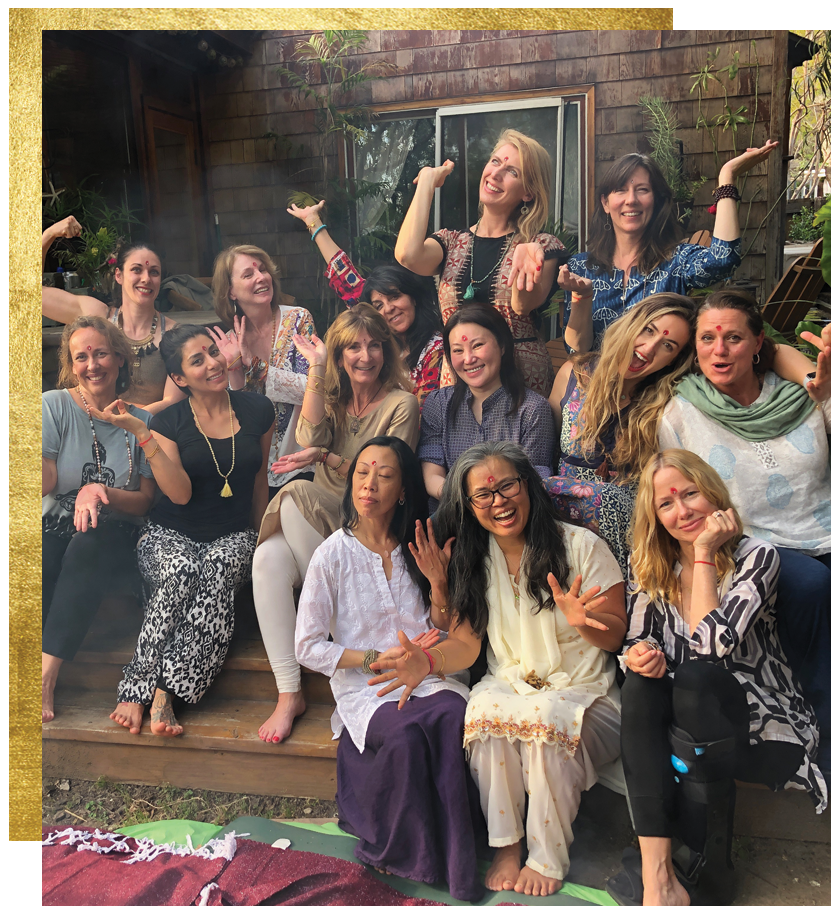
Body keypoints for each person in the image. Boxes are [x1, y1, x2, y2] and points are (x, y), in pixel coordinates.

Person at [370, 442, 627, 896]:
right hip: (511, 685)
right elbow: (466, 645)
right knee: (483, 711)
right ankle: (507, 846)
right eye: (483, 495)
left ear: (528, 486)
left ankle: (547, 857)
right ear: (470, 507)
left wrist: (584, 622)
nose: (499, 502)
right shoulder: (476, 560)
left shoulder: (581, 546)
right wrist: (428, 660)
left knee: (544, 720)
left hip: (587, 694)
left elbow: (616, 636)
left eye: (507, 486)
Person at [610, 449, 826, 907]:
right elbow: (634, 640)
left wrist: (704, 553)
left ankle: (708, 869)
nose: (682, 510)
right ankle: (658, 878)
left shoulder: (756, 556)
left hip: (757, 721)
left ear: (713, 494)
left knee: (694, 679)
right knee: (640, 688)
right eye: (666, 503)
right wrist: (641, 656)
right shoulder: (651, 562)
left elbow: (710, 650)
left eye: (690, 494)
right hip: (685, 717)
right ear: (655, 516)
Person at [295, 436, 484, 901]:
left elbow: (440, 628)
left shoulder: (418, 545)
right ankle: (408, 853)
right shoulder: (331, 555)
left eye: (384, 475)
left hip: (429, 675)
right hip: (369, 687)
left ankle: (457, 853)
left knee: (451, 717)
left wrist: (438, 583)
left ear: (402, 490)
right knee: (405, 736)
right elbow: (307, 647)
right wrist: (374, 659)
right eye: (362, 473)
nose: (369, 484)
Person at [658, 290, 831, 773]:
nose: (719, 350)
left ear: (758, 344)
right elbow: (676, 494)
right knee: (812, 586)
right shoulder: (680, 415)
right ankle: (824, 736)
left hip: (823, 530)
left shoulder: (803, 394)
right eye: (707, 339)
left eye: (733, 338)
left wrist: (826, 392)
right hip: (753, 545)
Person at [252, 304, 420, 745]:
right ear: (341, 356)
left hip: (368, 519)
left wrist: (325, 458)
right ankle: (289, 692)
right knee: (267, 559)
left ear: (386, 351)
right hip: (325, 520)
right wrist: (317, 368)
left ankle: (338, 634)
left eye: (374, 346)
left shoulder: (402, 404)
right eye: (353, 348)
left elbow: (386, 476)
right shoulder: (333, 396)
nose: (365, 356)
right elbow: (307, 437)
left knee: (295, 491)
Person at [107, 324, 274, 737]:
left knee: (218, 567)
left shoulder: (258, 410)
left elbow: (259, 484)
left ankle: (166, 692)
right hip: (170, 534)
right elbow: (179, 495)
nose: (213, 364)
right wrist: (144, 434)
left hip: (232, 534)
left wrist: (262, 543)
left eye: (213, 352)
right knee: (183, 570)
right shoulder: (169, 421)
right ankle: (135, 688)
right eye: (197, 361)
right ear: (179, 378)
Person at [395, 129, 585, 397]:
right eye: (495, 162)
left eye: (512, 172)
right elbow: (408, 255)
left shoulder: (541, 245)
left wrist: (525, 259)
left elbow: (523, 305)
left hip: (520, 383)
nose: (496, 173)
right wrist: (427, 181)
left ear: (528, 193)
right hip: (458, 378)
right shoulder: (452, 242)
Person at [42, 315, 156, 723]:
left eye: (101, 354)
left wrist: (102, 493)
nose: (92, 365)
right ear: (71, 365)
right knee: (41, 553)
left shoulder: (141, 421)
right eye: (81, 357)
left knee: (87, 546)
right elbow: (45, 480)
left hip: (114, 532)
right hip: (55, 524)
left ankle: (46, 677)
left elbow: (145, 501)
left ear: (120, 358)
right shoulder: (54, 406)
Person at [562, 141, 779, 354]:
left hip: (660, 378)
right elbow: (576, 349)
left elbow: (724, 259)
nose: (631, 200)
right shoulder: (581, 267)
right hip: (599, 375)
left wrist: (727, 176)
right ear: (605, 203)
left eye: (642, 190)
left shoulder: (676, 262)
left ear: (656, 201)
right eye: (620, 190)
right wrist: (582, 296)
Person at [545, 293, 696, 573]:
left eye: (667, 345)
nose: (649, 348)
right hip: (563, 520)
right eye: (648, 330)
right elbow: (546, 454)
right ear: (631, 324)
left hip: (627, 532)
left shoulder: (665, 403)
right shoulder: (574, 374)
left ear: (673, 360)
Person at [287, 200, 444, 411]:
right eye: (378, 305)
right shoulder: (379, 344)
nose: (388, 308)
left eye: (395, 297)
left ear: (413, 297)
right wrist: (313, 222)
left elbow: (425, 410)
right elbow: (345, 277)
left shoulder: (436, 349)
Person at [205, 244, 317, 498]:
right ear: (231, 291)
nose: (261, 277)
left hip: (303, 458)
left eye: (263, 270)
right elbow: (240, 414)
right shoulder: (230, 342)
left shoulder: (298, 319)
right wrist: (235, 368)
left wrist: (254, 365)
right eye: (248, 274)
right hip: (256, 465)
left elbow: (313, 389)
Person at [419, 303, 555, 510]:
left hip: (508, 517)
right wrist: (468, 503)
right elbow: (432, 476)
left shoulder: (532, 410)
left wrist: (488, 506)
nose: (468, 359)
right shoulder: (438, 404)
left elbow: (534, 483)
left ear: (502, 346)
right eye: (458, 350)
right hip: (451, 515)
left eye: (477, 345)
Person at [42, 220, 182, 414]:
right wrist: (48, 235)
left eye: (154, 272)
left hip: (149, 428)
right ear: (118, 275)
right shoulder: (98, 316)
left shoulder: (175, 335)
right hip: (94, 425)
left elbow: (172, 401)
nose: (146, 278)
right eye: (136, 269)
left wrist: (122, 419)